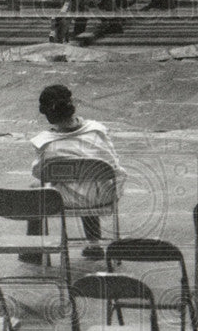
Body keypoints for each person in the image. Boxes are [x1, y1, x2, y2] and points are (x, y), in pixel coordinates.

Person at [22, 84, 125, 262]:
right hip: (102, 196)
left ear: (48, 114)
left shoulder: (46, 143)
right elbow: (114, 166)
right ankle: (94, 244)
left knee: (35, 186)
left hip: (66, 199)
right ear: (71, 107)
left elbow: (39, 173)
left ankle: (33, 249)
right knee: (89, 179)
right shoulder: (97, 131)